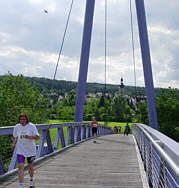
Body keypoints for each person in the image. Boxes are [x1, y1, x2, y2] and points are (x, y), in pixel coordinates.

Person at [11, 114, 40, 188]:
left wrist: (29, 137)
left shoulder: (31, 126)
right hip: (20, 149)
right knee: (20, 167)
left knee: (30, 166)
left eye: (24, 119)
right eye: (21, 119)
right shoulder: (17, 127)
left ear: (26, 119)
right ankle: (21, 184)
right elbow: (14, 137)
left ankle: (31, 180)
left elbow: (37, 137)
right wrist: (13, 144)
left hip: (30, 150)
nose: (22, 121)